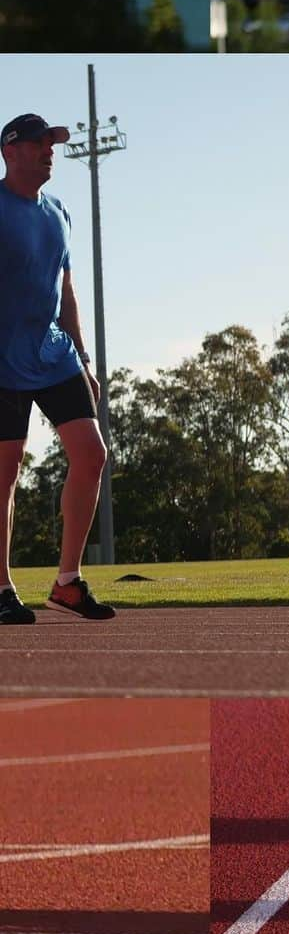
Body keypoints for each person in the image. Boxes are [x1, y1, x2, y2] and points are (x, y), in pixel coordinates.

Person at [0, 113, 115, 625]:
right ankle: (1, 589)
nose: (51, 151)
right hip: (2, 358)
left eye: (54, 144)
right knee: (4, 474)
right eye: (41, 143)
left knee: (92, 454)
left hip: (54, 354)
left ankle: (67, 583)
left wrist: (83, 356)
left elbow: (64, 289)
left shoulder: (58, 211)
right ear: (11, 150)